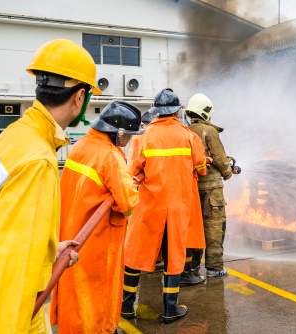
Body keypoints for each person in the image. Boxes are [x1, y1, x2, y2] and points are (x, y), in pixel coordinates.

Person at [0, 39, 100, 334]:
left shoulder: (13, 136)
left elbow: (3, 228)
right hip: (10, 318)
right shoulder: (37, 161)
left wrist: (48, 252)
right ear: (80, 97)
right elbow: (11, 273)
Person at [51, 101, 143, 333]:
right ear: (118, 132)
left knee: (74, 289)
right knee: (98, 293)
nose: (129, 140)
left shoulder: (82, 146)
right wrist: (132, 188)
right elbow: (127, 201)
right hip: (98, 240)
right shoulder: (110, 156)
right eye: (129, 135)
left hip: (72, 231)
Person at [121, 88, 207, 323]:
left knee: (134, 253)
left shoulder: (142, 136)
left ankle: (126, 307)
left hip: (148, 206)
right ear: (178, 111)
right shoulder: (190, 136)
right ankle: (170, 309)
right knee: (173, 256)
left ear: (157, 111)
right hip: (178, 208)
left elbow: (132, 172)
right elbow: (201, 168)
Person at [185, 93, 241, 279]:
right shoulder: (209, 131)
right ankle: (215, 268)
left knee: (194, 228)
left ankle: (192, 268)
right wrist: (228, 172)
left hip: (192, 187)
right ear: (206, 112)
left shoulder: (185, 131)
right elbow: (219, 158)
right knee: (214, 227)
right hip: (211, 190)